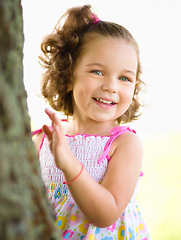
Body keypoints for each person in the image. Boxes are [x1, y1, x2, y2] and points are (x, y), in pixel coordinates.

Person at [33, 4, 152, 240]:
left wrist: (69, 164)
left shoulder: (125, 144)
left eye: (124, 78)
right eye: (97, 72)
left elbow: (106, 214)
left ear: (134, 87)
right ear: (68, 76)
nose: (111, 86)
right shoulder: (43, 139)